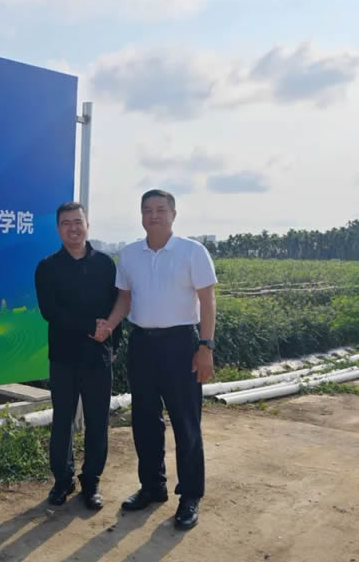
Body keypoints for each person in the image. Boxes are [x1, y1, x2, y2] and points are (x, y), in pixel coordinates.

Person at [97, 189, 217, 530]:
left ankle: (190, 495)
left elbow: (207, 301)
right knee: (145, 420)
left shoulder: (192, 251)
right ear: (141, 216)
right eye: (147, 210)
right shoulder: (130, 254)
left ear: (173, 214)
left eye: (161, 209)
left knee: (186, 422)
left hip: (181, 345)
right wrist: (110, 325)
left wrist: (205, 347)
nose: (154, 215)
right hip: (142, 345)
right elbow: (125, 299)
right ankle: (152, 486)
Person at [35, 202, 121, 509]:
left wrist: (114, 343)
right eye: (66, 223)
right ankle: (62, 480)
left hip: (98, 356)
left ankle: (92, 482)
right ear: (58, 229)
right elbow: (50, 311)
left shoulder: (105, 264)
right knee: (62, 420)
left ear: (87, 225)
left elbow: (116, 305)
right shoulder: (47, 267)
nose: (73, 228)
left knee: (97, 421)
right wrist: (90, 328)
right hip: (63, 356)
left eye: (77, 221)